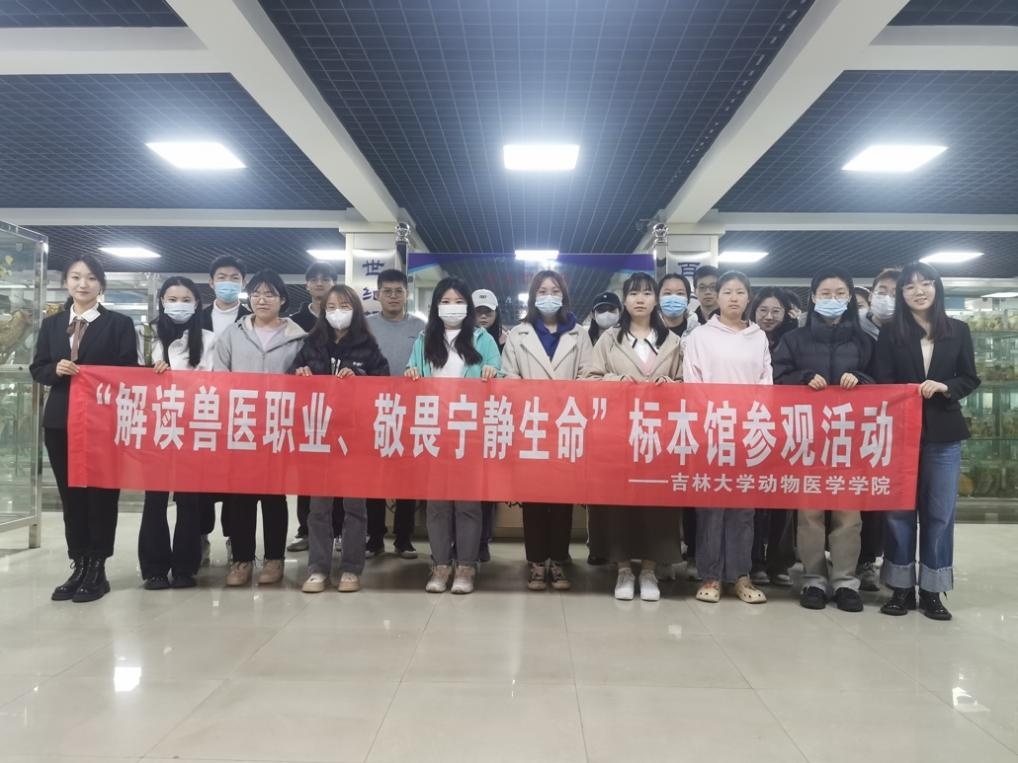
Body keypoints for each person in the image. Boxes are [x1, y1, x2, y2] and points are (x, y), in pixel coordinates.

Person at [875, 262, 980, 621]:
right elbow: (882, 379)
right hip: (900, 433)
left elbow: (970, 377)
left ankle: (933, 590)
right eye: (909, 287)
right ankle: (901, 587)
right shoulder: (891, 333)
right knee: (899, 511)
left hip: (944, 433)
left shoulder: (958, 330)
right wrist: (906, 391)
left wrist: (946, 387)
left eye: (925, 284)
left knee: (939, 513)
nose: (918, 291)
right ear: (901, 295)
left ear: (937, 287)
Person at [30, 254, 137, 603]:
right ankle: (78, 563)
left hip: (102, 422)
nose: (83, 283)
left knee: (101, 495)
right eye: (76, 277)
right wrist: (55, 370)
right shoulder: (52, 325)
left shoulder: (119, 324)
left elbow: (128, 371)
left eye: (90, 277)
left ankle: (98, 567)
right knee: (71, 495)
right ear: (66, 283)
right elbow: (38, 368)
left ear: (101, 285)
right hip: (61, 421)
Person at [772, 268, 875, 612]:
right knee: (810, 514)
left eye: (840, 293)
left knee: (848, 515)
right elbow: (777, 377)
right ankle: (814, 579)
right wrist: (803, 378)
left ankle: (846, 581)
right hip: (807, 439)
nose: (833, 299)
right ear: (814, 298)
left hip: (850, 440)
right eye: (826, 293)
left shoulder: (864, 342)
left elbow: (882, 382)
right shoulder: (794, 340)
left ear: (850, 298)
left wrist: (860, 378)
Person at [583, 272, 683, 602]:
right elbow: (588, 380)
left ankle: (650, 569)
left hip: (659, 436)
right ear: (624, 300)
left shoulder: (672, 341)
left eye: (647, 293)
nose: (640, 299)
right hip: (618, 434)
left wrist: (673, 387)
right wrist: (615, 381)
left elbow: (688, 384)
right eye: (634, 293)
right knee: (618, 504)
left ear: (656, 299)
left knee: (657, 504)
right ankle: (624, 569)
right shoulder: (609, 339)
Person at [405, 276, 501, 595]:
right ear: (435, 307)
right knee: (437, 505)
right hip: (434, 431)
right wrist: (411, 373)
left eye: (458, 301)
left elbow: (499, 376)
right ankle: (440, 565)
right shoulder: (424, 340)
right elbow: (411, 372)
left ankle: (466, 567)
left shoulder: (483, 339)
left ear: (468, 307)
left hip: (469, 432)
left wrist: (492, 373)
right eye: (445, 302)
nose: (452, 307)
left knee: (467, 505)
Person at [290, 284, 389, 593]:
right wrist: (300, 376)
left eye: (344, 306)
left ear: (355, 310)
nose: (337, 312)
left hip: (355, 438)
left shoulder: (368, 346)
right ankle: (318, 568)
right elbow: (291, 379)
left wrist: (361, 379)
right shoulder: (311, 343)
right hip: (319, 435)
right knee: (319, 508)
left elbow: (384, 385)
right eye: (331, 307)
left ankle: (351, 568)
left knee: (354, 507)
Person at [682, 270, 771, 605]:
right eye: (727, 292)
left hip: (748, 432)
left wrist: (751, 423)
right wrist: (715, 419)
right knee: (711, 507)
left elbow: (765, 383)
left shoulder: (758, 337)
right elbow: (693, 383)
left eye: (740, 292)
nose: (734, 298)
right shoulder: (700, 337)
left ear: (749, 298)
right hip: (712, 431)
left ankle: (740, 575)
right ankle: (711, 574)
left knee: (743, 508)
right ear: (716, 297)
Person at [214, 270, 306, 586]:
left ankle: (274, 559)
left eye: (269, 294)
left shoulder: (298, 337)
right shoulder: (233, 334)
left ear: (282, 299)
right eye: (255, 294)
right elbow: (219, 378)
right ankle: (242, 560)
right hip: (241, 426)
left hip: (279, 428)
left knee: (273, 497)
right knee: (240, 497)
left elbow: (305, 383)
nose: (261, 300)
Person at [502, 270, 592, 591]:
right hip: (532, 425)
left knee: (563, 498)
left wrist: (565, 399)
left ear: (564, 295)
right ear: (533, 297)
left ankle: (559, 559)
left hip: (568, 425)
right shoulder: (519, 334)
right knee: (534, 498)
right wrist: (533, 399)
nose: (549, 295)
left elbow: (588, 376)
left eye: (555, 290)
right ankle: (537, 562)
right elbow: (508, 377)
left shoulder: (579, 334)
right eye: (542, 291)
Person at [136, 277, 216, 590]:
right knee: (154, 499)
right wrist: (150, 375)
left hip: (193, 427)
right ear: (162, 302)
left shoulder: (208, 339)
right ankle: (154, 568)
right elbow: (129, 379)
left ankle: (185, 567)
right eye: (172, 299)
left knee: (188, 500)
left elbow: (216, 384)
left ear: (196, 304)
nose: (179, 305)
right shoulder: (146, 336)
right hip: (154, 428)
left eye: (186, 299)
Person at [365, 269, 426, 559]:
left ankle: (403, 538)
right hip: (373, 411)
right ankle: (374, 537)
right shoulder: (365, 326)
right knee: (374, 479)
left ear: (407, 294)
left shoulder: (421, 327)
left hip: (410, 412)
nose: (392, 296)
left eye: (398, 291)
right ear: (377, 294)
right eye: (387, 291)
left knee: (406, 478)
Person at [745, 286, 800, 586]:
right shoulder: (745, 338)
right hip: (752, 425)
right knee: (753, 498)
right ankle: (754, 561)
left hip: (788, 426)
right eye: (763, 310)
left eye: (776, 311)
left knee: (783, 498)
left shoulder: (796, 340)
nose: (769, 316)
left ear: (786, 313)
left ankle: (780, 562)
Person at [286, 261, 343, 553]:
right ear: (307, 284)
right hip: (307, 412)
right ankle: (306, 530)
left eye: (326, 278)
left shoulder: (346, 320)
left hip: (342, 412)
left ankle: (338, 531)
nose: (320, 283)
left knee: (339, 475)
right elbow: (292, 364)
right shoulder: (294, 322)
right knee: (307, 475)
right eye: (314, 279)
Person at [199, 254, 250, 563]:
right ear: (211, 283)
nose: (228, 283)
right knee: (201, 477)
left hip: (238, 410)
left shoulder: (251, 319)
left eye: (234, 278)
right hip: (201, 408)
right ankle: (200, 536)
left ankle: (235, 538)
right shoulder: (196, 317)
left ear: (243, 283)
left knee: (235, 479)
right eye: (222, 277)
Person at [856, 267, 901, 590]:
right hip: (856, 424)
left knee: (892, 499)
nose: (888, 298)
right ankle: (862, 561)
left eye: (895, 293)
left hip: (896, 425)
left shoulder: (910, 332)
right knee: (862, 498)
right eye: (883, 291)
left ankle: (894, 565)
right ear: (871, 294)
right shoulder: (855, 328)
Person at [472, 287, 507, 560]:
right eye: (478, 312)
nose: (483, 316)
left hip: (495, 420)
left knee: (486, 487)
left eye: (488, 312)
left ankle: (483, 540)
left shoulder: (508, 341)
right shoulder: (466, 340)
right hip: (466, 419)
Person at [859, 268, 901, 341]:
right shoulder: (856, 325)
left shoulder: (908, 332)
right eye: (881, 292)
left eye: (895, 295)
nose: (886, 299)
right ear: (870, 296)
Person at [658, 272, 697, 338]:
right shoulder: (648, 330)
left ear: (688, 299)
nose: (673, 298)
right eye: (667, 293)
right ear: (658, 298)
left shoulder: (697, 331)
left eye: (680, 293)